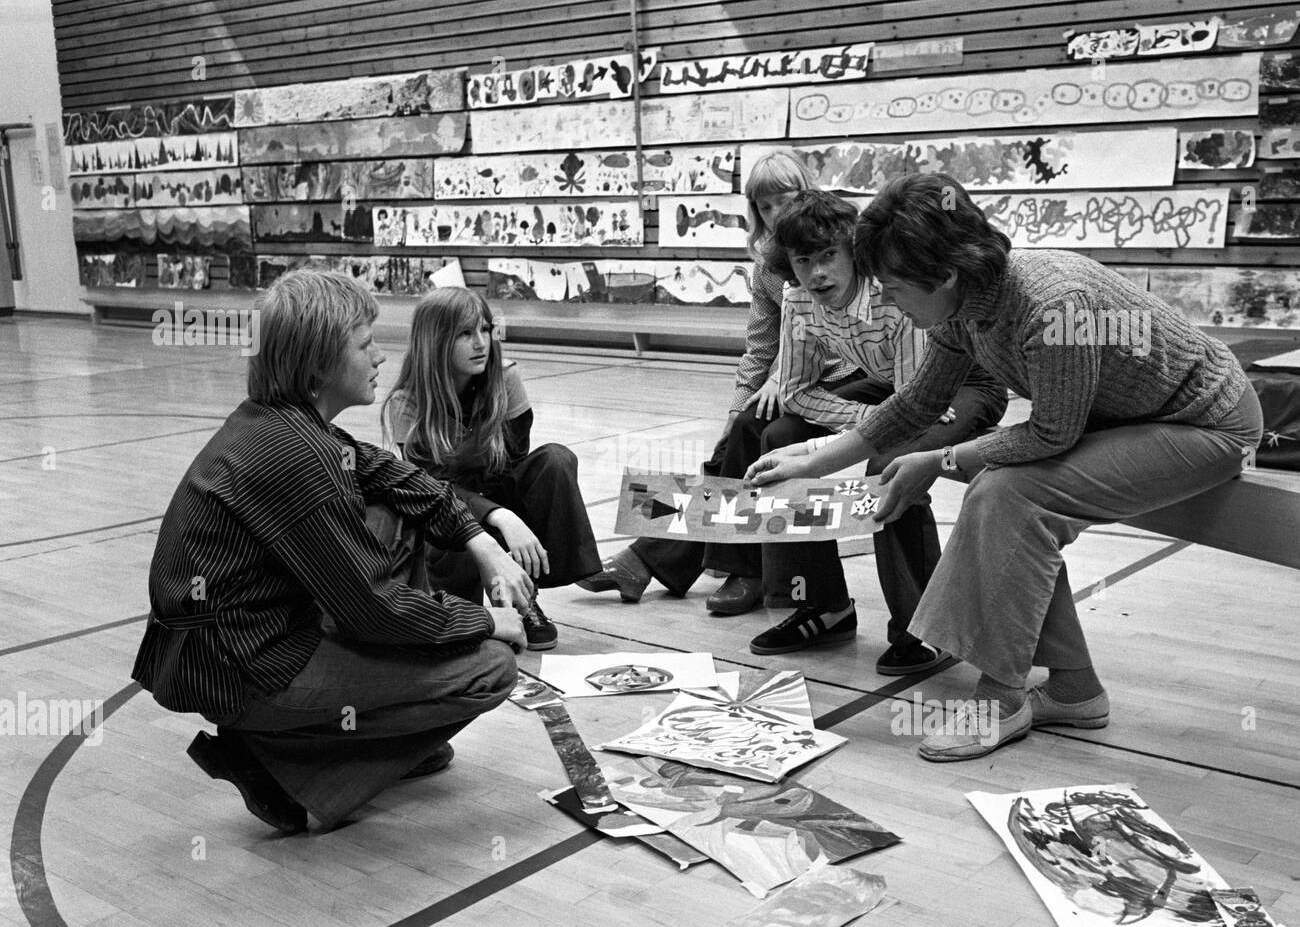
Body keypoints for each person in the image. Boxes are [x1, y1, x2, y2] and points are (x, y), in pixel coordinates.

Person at [747, 173, 1262, 761]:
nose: (885, 298)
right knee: (1004, 493)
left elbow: (1051, 432)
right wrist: (812, 459)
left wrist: (939, 459)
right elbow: (914, 403)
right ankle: (1073, 690)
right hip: (1136, 417)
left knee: (1006, 497)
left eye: (891, 286)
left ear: (942, 275)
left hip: (1206, 424)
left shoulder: (1050, 305)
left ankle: (1000, 698)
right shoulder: (961, 306)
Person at [132, 270, 533, 833]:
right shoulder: (300, 458)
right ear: (319, 363)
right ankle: (282, 765)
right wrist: (485, 621)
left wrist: (478, 540)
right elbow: (375, 610)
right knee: (489, 669)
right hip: (239, 668)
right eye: (366, 344)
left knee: (396, 509)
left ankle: (303, 741)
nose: (380, 358)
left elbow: (392, 474)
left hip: (230, 644)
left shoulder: (285, 422)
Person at [578, 148, 856, 614]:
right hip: (792, 379)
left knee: (755, 431)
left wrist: (780, 382)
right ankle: (669, 561)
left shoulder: (835, 245)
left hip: (847, 374)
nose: (773, 214)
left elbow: (836, 329)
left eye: (783, 201)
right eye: (763, 207)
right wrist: (738, 402)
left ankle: (726, 567)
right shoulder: (768, 264)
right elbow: (760, 344)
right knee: (735, 436)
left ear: (806, 192)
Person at [746, 190, 1007, 674]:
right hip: (896, 387)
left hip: (961, 382)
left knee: (890, 463)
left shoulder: (887, 292)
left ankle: (924, 627)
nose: (818, 273)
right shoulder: (797, 298)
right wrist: (863, 422)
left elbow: (915, 406)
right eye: (804, 260)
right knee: (777, 436)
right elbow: (797, 392)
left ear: (852, 252)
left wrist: (853, 436)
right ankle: (824, 605)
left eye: (829, 256)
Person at [382, 286, 602, 651]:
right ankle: (466, 600)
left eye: (484, 330)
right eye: (465, 334)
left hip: (491, 489)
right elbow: (432, 490)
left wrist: (507, 514)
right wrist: (500, 516)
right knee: (462, 634)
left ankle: (522, 594)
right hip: (445, 515)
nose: (481, 342)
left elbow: (514, 466)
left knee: (555, 460)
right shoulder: (406, 403)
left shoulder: (506, 379)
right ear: (434, 341)